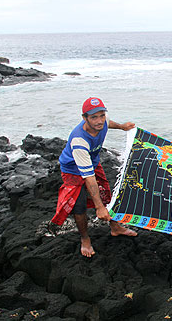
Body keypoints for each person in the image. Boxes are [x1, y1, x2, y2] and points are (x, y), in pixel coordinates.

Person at [51, 97, 137, 257]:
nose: (99, 121)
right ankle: (85, 239)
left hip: (92, 161)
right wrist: (98, 207)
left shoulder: (103, 121)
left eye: (101, 115)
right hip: (73, 169)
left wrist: (122, 127)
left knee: (106, 195)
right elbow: (89, 178)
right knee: (79, 205)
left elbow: (109, 124)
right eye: (94, 117)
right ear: (84, 118)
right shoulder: (79, 140)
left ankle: (115, 227)